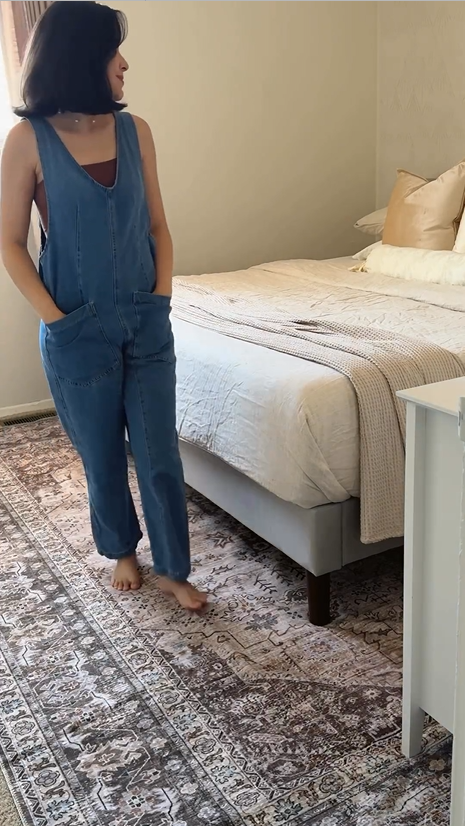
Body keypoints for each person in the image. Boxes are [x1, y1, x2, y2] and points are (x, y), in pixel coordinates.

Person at [0, 1, 207, 611]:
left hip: (146, 317)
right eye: (113, 51)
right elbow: (9, 243)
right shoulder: (27, 141)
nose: (124, 63)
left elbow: (158, 226)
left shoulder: (135, 130)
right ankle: (121, 549)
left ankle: (174, 568)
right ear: (80, 58)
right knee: (101, 452)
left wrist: (161, 297)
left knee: (158, 450)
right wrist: (57, 321)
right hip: (76, 326)